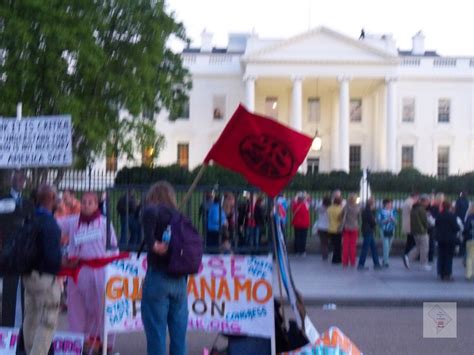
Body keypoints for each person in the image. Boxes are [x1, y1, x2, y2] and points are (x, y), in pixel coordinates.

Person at [58, 192, 118, 354]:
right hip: (78, 270)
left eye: (90, 202)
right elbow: (54, 225)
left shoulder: (105, 223)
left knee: (101, 307)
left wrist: (111, 269)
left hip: (100, 271)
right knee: (76, 308)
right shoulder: (73, 222)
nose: (86, 205)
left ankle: (105, 343)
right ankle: (79, 341)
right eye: (83, 202)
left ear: (96, 205)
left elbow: (113, 247)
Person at [22, 184, 72, 355]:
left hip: (28, 276)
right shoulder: (50, 224)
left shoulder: (29, 218)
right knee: (48, 321)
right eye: (56, 196)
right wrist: (65, 262)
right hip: (45, 279)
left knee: (31, 317)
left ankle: (30, 350)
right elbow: (52, 258)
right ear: (51, 199)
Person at [141, 181, 188, 355]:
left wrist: (152, 243)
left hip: (158, 276)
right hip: (180, 280)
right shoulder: (178, 216)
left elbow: (148, 215)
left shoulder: (152, 211)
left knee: (156, 334)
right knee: (179, 337)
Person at [0, 170, 35, 327]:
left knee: (25, 292)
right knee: (9, 289)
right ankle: (7, 327)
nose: (21, 181)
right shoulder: (3, 200)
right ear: (12, 180)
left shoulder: (28, 202)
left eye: (23, 179)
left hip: (25, 252)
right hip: (9, 251)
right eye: (18, 178)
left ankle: (23, 328)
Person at [404, 194, 431, 271]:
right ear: (424, 201)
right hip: (422, 231)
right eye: (428, 201)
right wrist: (429, 225)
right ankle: (423, 264)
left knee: (418, 247)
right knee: (425, 248)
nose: (428, 203)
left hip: (415, 231)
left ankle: (408, 258)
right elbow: (424, 221)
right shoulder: (421, 209)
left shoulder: (414, 208)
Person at [435, 201, 460, 281]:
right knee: (448, 257)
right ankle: (447, 274)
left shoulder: (439, 215)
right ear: (449, 207)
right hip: (450, 239)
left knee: (441, 256)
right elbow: (456, 228)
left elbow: (436, 225)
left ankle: (440, 273)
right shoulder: (452, 216)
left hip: (440, 239)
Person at [358, 197, 381, 270]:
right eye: (374, 204)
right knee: (365, 248)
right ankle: (361, 264)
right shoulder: (369, 212)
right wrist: (376, 220)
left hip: (367, 230)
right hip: (368, 231)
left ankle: (376, 263)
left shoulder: (365, 210)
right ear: (372, 204)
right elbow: (373, 222)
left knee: (373, 248)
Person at [341, 194, 360, 268]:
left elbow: (342, 215)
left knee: (345, 245)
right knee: (353, 246)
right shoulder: (357, 207)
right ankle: (352, 261)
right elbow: (358, 216)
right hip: (354, 227)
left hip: (346, 227)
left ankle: (345, 261)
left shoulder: (346, 207)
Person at [378, 199, 397, 268]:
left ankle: (384, 259)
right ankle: (386, 262)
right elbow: (379, 221)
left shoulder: (393, 211)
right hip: (384, 230)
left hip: (392, 230)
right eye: (389, 204)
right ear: (385, 204)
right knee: (386, 246)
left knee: (389, 246)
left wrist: (393, 220)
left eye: (391, 204)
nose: (390, 205)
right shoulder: (381, 211)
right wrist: (386, 220)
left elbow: (396, 221)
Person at [314, 196, 331, 261]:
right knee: (329, 242)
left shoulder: (320, 207)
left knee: (323, 243)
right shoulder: (331, 208)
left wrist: (320, 202)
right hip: (329, 227)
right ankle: (328, 252)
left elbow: (315, 208)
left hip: (321, 227)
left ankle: (324, 255)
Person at [327, 196, 344, 264]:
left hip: (331, 228)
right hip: (338, 228)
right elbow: (341, 219)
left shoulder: (329, 208)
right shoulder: (340, 209)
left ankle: (335, 258)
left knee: (334, 244)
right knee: (338, 245)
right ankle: (337, 259)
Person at [455, 191, 470, 256]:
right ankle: (462, 251)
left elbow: (456, 209)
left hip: (459, 219)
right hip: (464, 220)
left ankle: (460, 251)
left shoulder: (459, 201)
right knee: (462, 236)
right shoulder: (466, 201)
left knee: (459, 236)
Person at [463, 205, 474, 280]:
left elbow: (466, 228)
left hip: (471, 238)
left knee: (470, 257)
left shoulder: (470, 217)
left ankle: (469, 274)